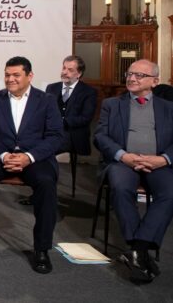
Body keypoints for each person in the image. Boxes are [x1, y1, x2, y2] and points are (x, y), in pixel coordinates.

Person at [0, 56, 62, 274]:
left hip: (35, 158)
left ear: (30, 76)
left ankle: (42, 248)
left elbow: (56, 136)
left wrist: (29, 157)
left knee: (47, 182)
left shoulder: (46, 100)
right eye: (7, 75)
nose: (10, 79)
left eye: (16, 75)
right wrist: (3, 154)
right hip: (1, 155)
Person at [94, 59, 173, 284]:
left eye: (140, 75)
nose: (132, 78)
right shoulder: (112, 104)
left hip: (157, 163)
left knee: (170, 193)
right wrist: (123, 155)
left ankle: (137, 249)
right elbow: (100, 136)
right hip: (123, 162)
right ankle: (140, 249)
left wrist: (163, 159)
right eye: (130, 74)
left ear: (155, 82)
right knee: (120, 188)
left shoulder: (169, 108)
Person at [43, 55, 97, 197]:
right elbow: (44, 111)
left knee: (45, 152)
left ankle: (46, 192)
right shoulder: (52, 88)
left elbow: (85, 118)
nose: (65, 72)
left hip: (72, 134)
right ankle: (43, 190)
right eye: (64, 68)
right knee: (35, 147)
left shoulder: (89, 92)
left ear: (79, 74)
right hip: (51, 132)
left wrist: (61, 122)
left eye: (70, 69)